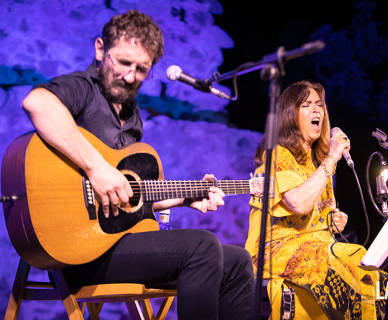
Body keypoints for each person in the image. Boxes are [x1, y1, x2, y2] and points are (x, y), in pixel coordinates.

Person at [21, 10, 254, 320]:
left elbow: (130, 199)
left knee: (238, 262)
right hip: (80, 253)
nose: (130, 76)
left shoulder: (131, 117)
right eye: (123, 62)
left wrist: (185, 198)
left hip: (119, 244)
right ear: (100, 49)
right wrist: (96, 168)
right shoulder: (82, 88)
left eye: (141, 69)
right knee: (203, 245)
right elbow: (37, 103)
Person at [245, 80, 388, 319]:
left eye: (320, 105)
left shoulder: (319, 162)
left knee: (369, 269)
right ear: (290, 114)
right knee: (332, 269)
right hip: (274, 250)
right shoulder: (277, 154)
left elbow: (323, 215)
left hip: (316, 248)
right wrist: (332, 158)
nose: (317, 110)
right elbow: (298, 203)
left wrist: (334, 220)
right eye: (307, 105)